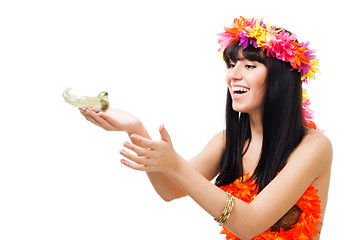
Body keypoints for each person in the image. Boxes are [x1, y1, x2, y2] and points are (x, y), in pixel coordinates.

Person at [79, 16, 332, 240]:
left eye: (249, 66)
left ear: (281, 79)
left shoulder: (313, 147)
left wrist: (174, 164)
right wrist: (137, 129)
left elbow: (250, 225)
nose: (233, 75)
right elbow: (171, 189)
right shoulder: (228, 141)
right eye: (231, 64)